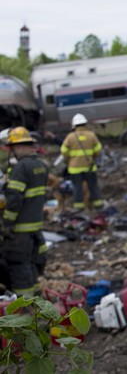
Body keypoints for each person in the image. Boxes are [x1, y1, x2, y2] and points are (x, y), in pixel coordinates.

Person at [1, 127, 48, 296]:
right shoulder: (41, 166)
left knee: (18, 267)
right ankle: (36, 302)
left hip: (20, 230)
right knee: (30, 266)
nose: (12, 152)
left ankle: (25, 308)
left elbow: (14, 200)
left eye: (12, 148)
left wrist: (7, 223)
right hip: (35, 227)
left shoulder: (21, 168)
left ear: (19, 146)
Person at [60, 113, 104, 211]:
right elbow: (98, 150)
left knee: (77, 188)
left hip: (75, 168)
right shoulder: (91, 135)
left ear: (74, 125)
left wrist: (69, 160)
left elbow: (63, 151)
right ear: (85, 124)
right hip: (89, 167)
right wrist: (93, 158)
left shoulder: (70, 137)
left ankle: (78, 208)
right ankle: (98, 206)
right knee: (93, 186)